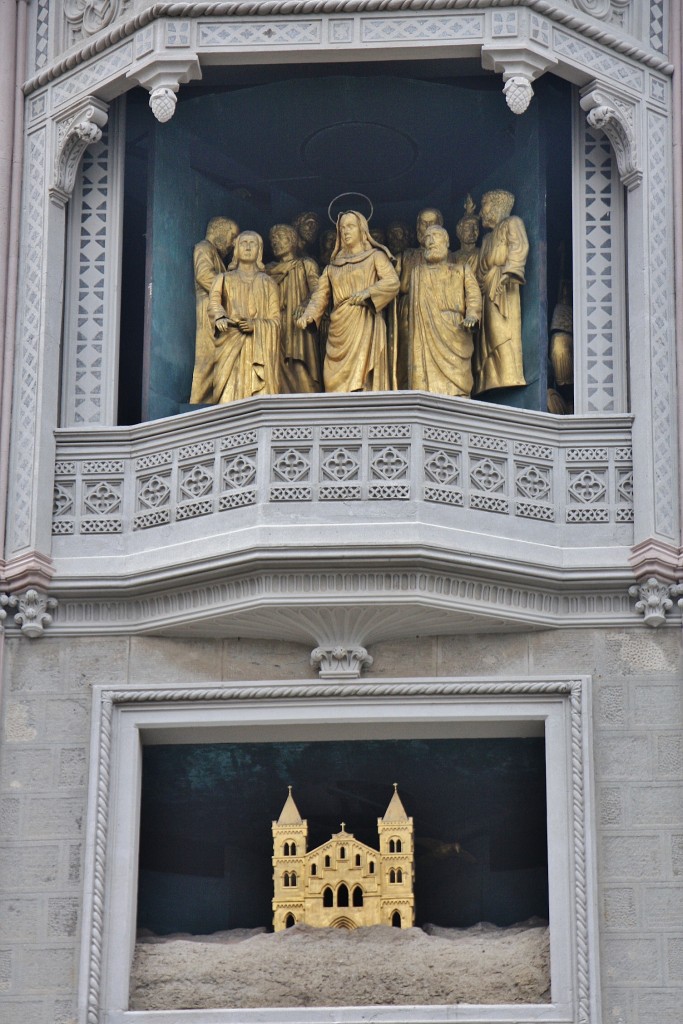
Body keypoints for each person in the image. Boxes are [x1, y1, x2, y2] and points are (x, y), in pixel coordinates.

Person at [296, 211, 399, 392]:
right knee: (331, 380)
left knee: (363, 377)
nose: (345, 231)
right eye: (342, 228)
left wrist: (369, 292)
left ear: (361, 230)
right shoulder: (332, 267)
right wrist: (308, 316)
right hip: (339, 327)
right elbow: (320, 296)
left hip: (364, 322)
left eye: (350, 226)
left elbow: (392, 282)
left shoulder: (375, 257)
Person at [408, 225, 481, 397]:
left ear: (447, 242)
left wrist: (472, 314)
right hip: (425, 334)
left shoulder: (461, 269)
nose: (431, 241)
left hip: (455, 331)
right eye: (427, 237)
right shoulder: (417, 273)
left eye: (435, 236)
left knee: (459, 385)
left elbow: (473, 296)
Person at [208, 231, 280, 403]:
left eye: (252, 243)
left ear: (259, 250)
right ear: (236, 250)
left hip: (259, 347)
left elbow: (276, 320)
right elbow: (213, 304)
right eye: (243, 243)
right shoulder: (223, 279)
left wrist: (255, 325)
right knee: (228, 397)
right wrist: (219, 317)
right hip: (230, 343)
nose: (248, 247)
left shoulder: (269, 283)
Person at [474, 189, 529, 393]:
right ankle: (490, 377)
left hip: (503, 287)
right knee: (487, 337)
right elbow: (480, 268)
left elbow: (519, 247)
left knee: (502, 333)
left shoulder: (512, 223)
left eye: (485, 205)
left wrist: (508, 273)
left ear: (497, 205)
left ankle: (508, 373)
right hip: (487, 288)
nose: (482, 212)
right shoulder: (487, 239)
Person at [266, 224, 321, 393]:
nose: (276, 242)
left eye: (280, 237)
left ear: (293, 240)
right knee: (276, 364)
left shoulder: (305, 264)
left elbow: (318, 290)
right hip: (275, 323)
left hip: (298, 322)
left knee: (299, 365)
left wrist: (305, 304)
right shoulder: (267, 270)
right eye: (273, 239)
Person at [190, 216, 239, 404]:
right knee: (207, 356)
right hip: (208, 309)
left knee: (216, 357)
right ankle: (199, 402)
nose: (233, 242)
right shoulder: (204, 248)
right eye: (231, 235)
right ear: (219, 230)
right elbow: (204, 275)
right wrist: (233, 289)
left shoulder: (218, 256)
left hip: (217, 309)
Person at [396, 208, 445, 388]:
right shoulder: (407, 256)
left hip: (437, 310)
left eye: (432, 223)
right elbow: (395, 284)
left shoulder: (450, 259)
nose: (427, 227)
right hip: (408, 309)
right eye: (424, 223)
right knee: (407, 350)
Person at [452, 195, 480, 270]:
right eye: (467, 228)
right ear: (459, 231)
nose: (472, 232)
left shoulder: (482, 254)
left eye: (475, 227)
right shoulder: (452, 257)